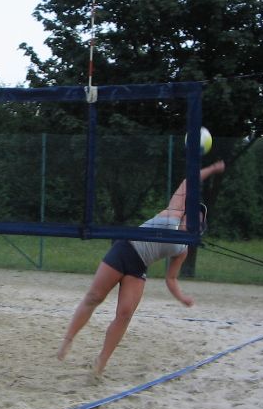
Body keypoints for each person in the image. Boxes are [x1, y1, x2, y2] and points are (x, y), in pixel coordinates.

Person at [57, 160, 226, 375]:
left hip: (138, 267)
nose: (194, 217)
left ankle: (101, 362)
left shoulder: (183, 249)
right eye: (193, 213)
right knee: (94, 297)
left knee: (125, 314)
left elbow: (171, 279)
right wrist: (212, 169)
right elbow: (188, 182)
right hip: (125, 249)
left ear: (199, 228)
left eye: (199, 219)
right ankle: (68, 339)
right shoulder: (172, 213)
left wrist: (181, 297)